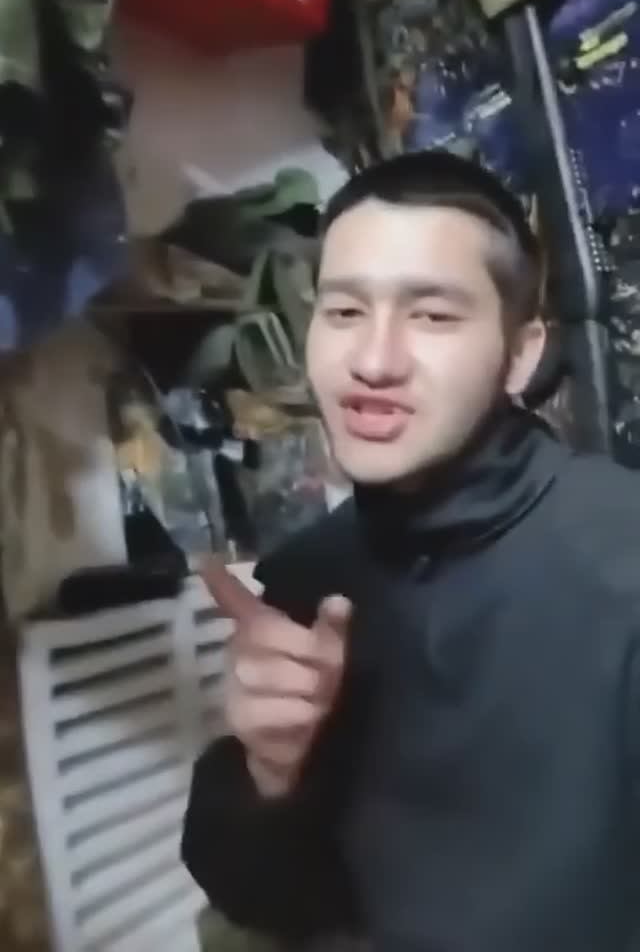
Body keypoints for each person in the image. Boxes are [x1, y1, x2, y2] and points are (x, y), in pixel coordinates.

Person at [182, 150, 640, 952]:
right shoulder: (305, 580)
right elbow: (267, 901)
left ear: (521, 354)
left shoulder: (621, 556)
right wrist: (269, 772)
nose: (373, 361)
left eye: (432, 316)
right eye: (344, 311)